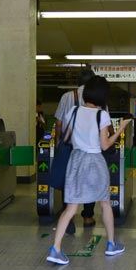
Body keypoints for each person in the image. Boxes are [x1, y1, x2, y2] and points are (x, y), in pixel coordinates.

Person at [47, 75, 132, 266]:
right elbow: (105, 145)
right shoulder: (101, 115)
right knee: (104, 203)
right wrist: (121, 129)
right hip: (94, 162)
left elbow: (67, 138)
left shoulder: (73, 112)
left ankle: (56, 248)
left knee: (70, 208)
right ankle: (111, 244)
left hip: (75, 161)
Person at [55, 67, 97, 227]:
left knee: (69, 180)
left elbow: (59, 123)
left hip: (70, 147)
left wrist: (59, 141)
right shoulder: (97, 98)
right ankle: (87, 216)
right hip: (90, 148)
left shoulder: (67, 97)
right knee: (89, 181)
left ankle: (69, 215)